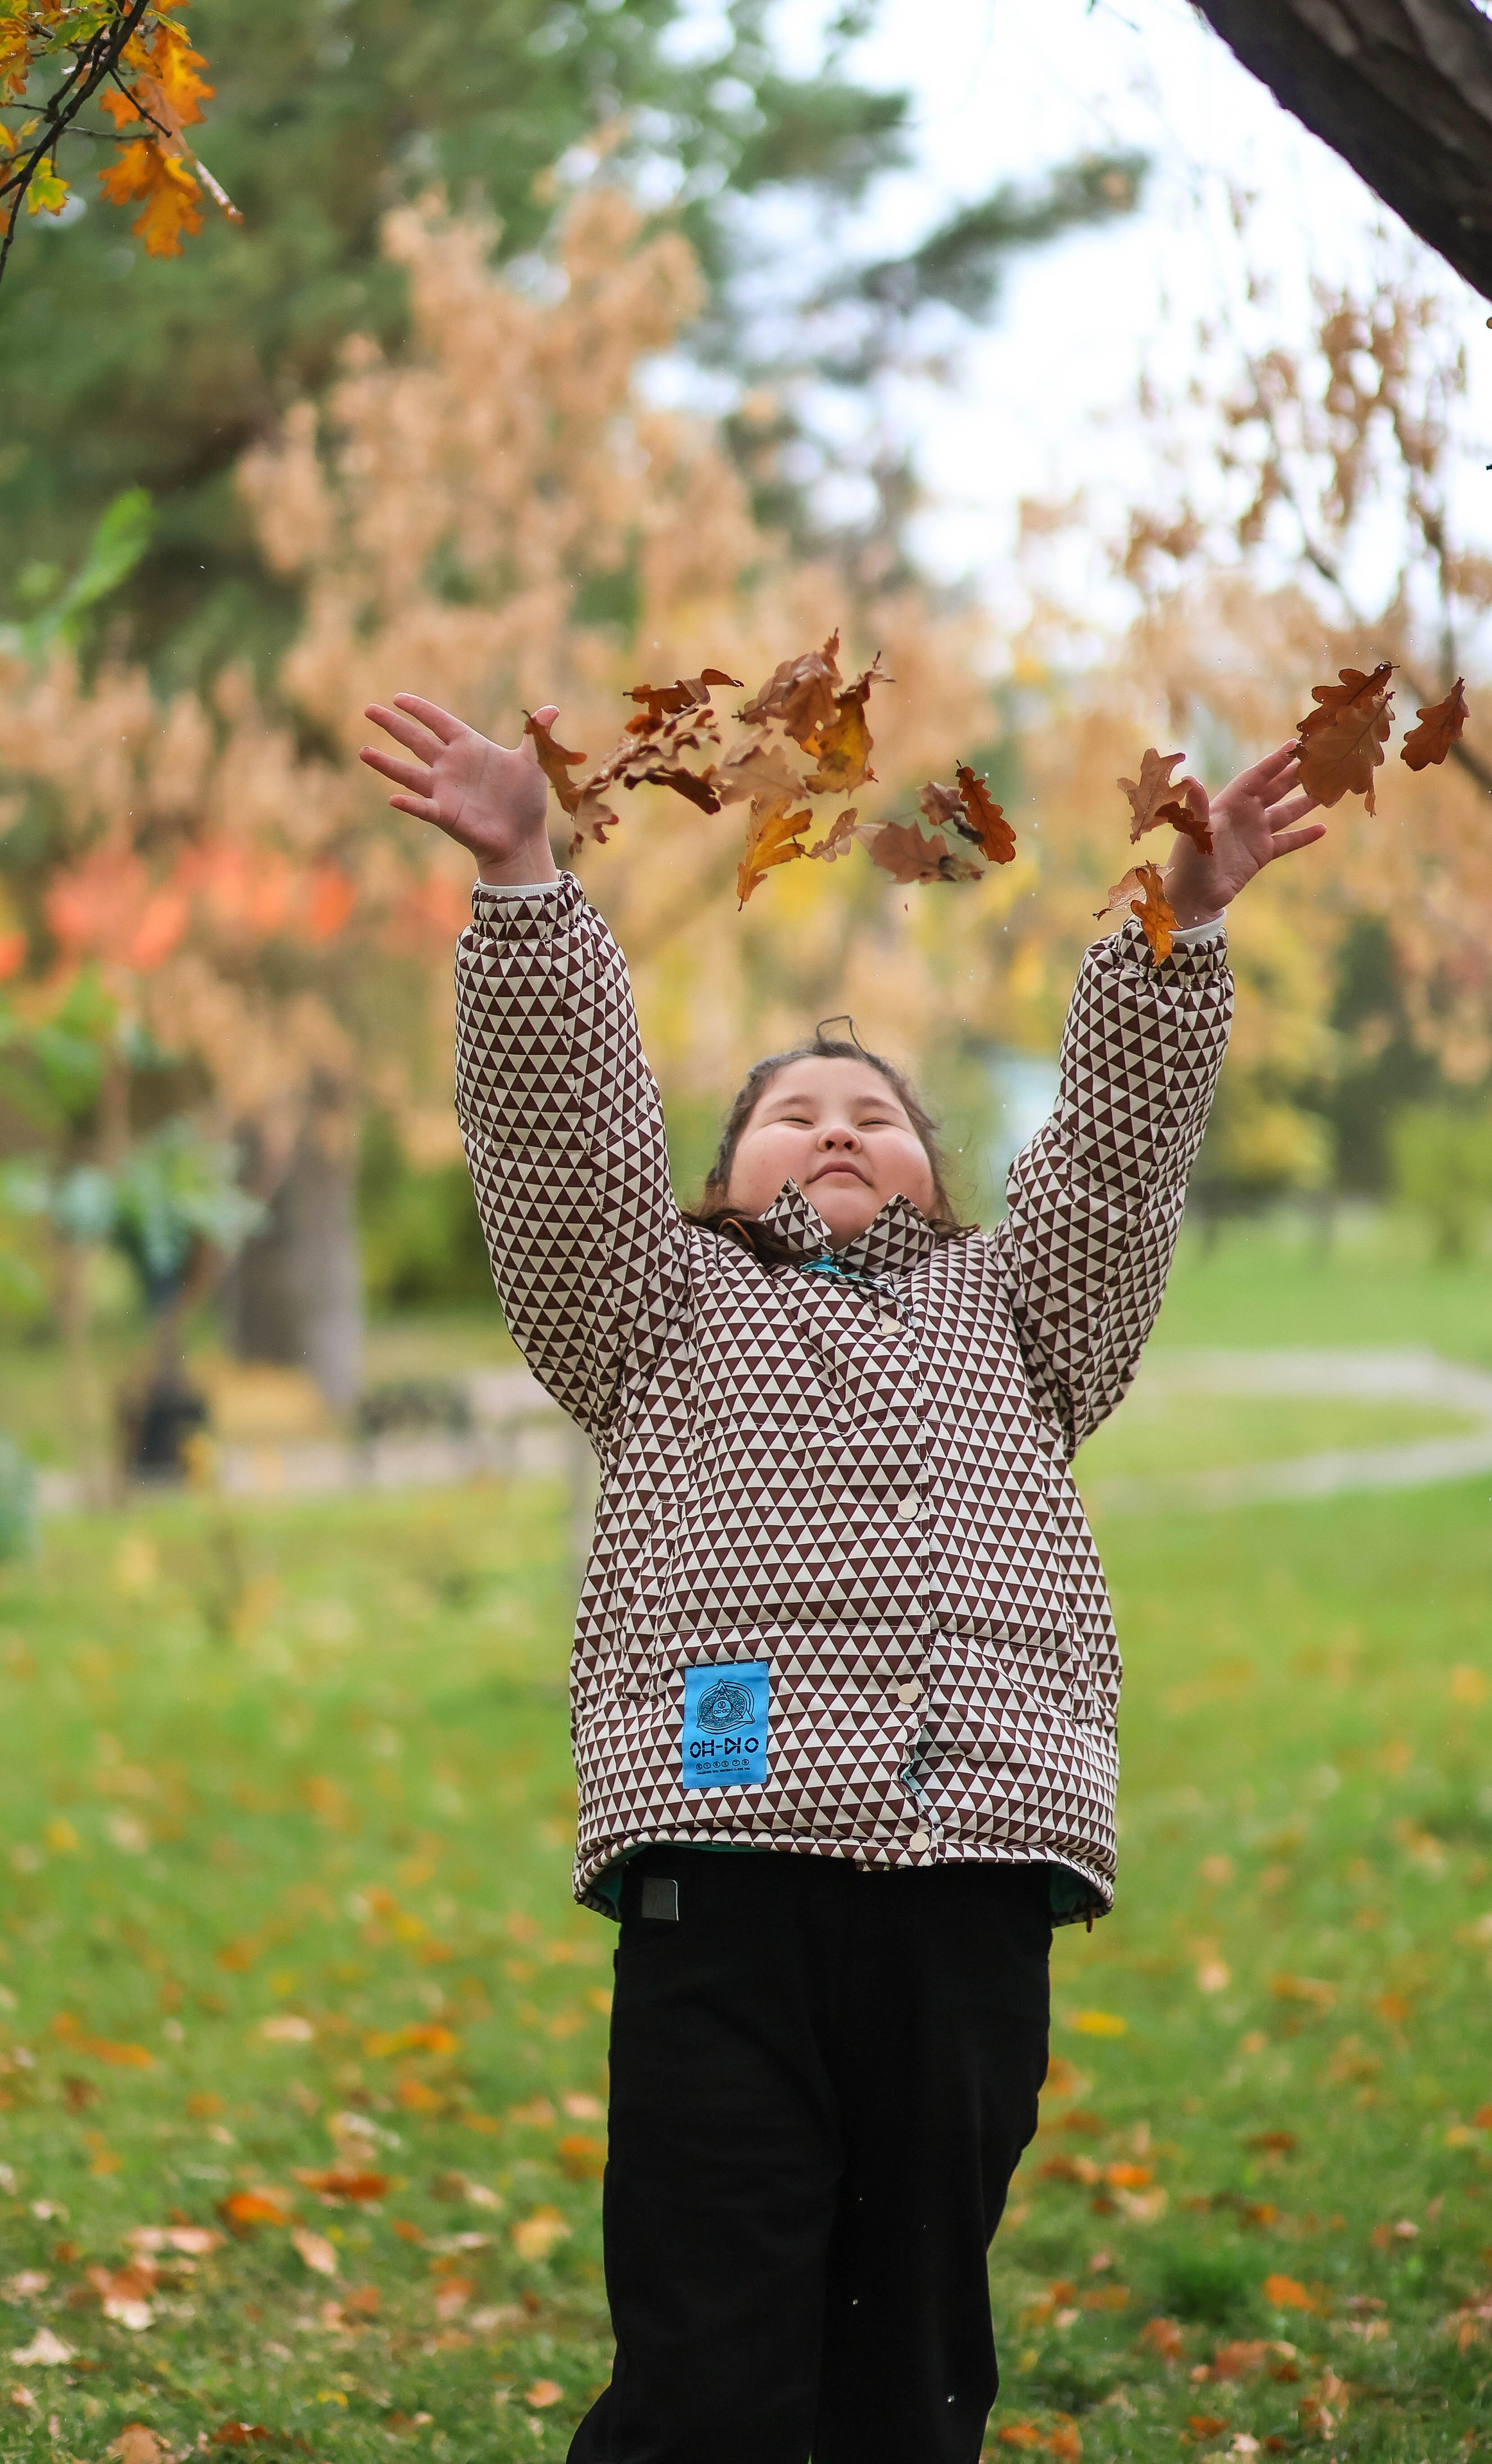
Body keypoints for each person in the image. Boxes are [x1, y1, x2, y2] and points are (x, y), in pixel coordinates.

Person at [359, 692, 1325, 2464]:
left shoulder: (1027, 1319)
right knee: (711, 2351)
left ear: (943, 1182)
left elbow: (1113, 1169)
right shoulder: (652, 1311)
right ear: (716, 1184)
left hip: (974, 1877)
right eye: (792, 1113)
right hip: (722, 1877)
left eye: (871, 1114)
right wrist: (521, 886)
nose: (833, 1129)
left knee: (913, 2357)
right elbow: (560, 1144)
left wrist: (1177, 930)